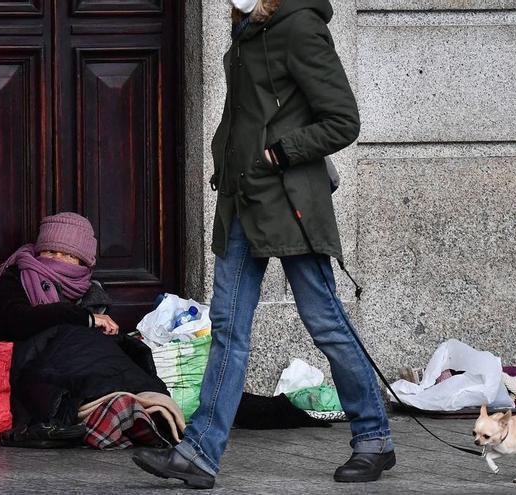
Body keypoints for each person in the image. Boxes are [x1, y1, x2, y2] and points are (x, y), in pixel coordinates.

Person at [132, 0, 394, 488]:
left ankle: (374, 438)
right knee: (229, 327)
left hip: (290, 203)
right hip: (242, 200)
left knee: (326, 322)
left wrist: (279, 153)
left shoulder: (299, 27)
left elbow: (343, 119)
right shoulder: (249, 29)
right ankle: (199, 454)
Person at [0, 212, 171, 446]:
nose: (57, 259)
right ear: (39, 251)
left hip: (81, 366)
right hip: (33, 364)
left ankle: (144, 408)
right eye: (50, 252)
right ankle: (111, 414)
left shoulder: (91, 291)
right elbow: (17, 321)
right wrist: (84, 319)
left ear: (83, 262)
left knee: (121, 351)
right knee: (76, 344)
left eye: (68, 255)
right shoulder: (16, 277)